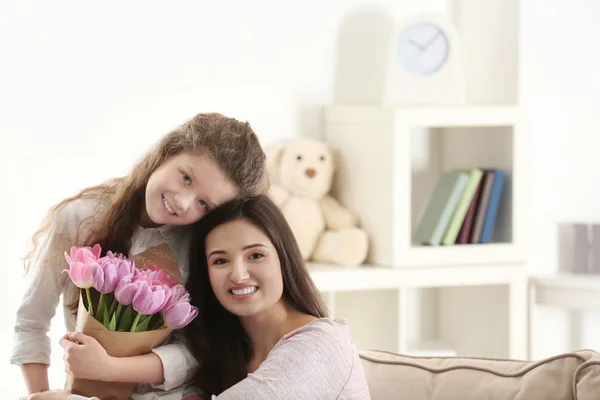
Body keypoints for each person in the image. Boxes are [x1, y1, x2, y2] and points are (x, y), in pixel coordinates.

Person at [13, 112, 268, 400]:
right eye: (185, 178)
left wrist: (110, 368)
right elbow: (31, 321)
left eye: (204, 204)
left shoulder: (200, 245)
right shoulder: (79, 218)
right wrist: (42, 395)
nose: (183, 203)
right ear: (165, 154)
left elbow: (195, 348)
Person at [184, 195, 371, 399]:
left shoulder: (320, 344)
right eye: (220, 260)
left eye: (255, 255)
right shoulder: (225, 353)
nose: (238, 275)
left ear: (284, 258)